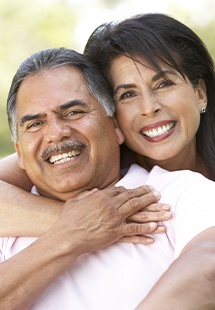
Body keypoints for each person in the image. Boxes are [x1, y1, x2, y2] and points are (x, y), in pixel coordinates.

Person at [0, 47, 215, 310]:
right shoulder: (6, 227)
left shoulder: (181, 194)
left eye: (73, 112)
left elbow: (208, 269)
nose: (56, 133)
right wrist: (70, 233)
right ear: (19, 152)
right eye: (34, 124)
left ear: (115, 126)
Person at [84, 12, 215, 181]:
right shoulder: (104, 186)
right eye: (128, 94)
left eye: (164, 84)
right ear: (112, 116)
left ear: (200, 94)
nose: (149, 108)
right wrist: (60, 209)